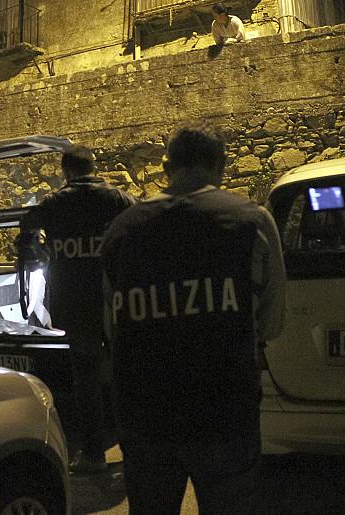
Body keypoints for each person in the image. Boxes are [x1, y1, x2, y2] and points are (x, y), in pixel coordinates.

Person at [101, 125, 285, 514]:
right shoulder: (252, 222)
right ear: (222, 165)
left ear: (167, 167)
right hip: (224, 412)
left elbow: (111, 327)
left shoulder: (121, 231)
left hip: (145, 414)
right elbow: (271, 323)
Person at [17, 145, 136, 473]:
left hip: (75, 303)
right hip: (114, 301)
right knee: (125, 375)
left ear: (65, 171)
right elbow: (140, 223)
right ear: (93, 167)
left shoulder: (55, 203)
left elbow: (27, 225)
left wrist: (42, 245)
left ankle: (94, 455)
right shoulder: (117, 199)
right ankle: (135, 451)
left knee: (87, 382)